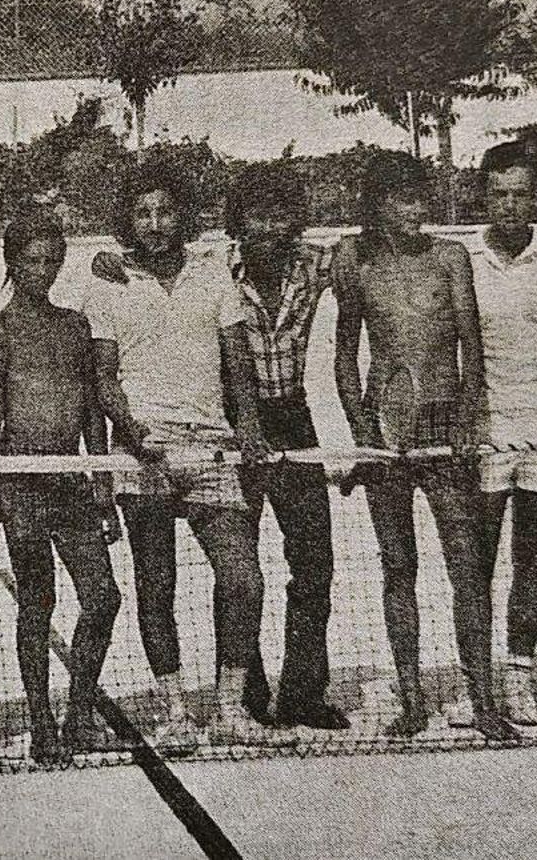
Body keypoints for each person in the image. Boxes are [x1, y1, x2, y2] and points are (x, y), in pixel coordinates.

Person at [92, 161, 349, 730]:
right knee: (158, 584)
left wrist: (249, 431)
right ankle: (201, 705)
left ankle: (287, 696)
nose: (266, 227)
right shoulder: (122, 280)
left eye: (166, 211)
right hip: (156, 450)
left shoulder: (241, 272)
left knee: (267, 574)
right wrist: (135, 436)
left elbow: (236, 367)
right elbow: (104, 373)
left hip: (255, 431)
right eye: (143, 213)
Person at [333, 150, 517, 742]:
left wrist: (467, 420)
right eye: (399, 199)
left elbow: (472, 347)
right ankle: (411, 698)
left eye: (419, 198)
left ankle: (486, 700)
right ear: (378, 206)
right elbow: (344, 356)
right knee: (398, 566)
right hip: (386, 433)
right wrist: (363, 433)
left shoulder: (450, 257)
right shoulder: (354, 261)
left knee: (467, 567)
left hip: (443, 426)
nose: (412, 210)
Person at [0, 208, 124, 764]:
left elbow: (92, 414)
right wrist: (2, 484)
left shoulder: (74, 325)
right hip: (24, 485)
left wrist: (102, 484)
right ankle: (42, 722)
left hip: (69, 482)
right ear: (12, 263)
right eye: (31, 261)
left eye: (52, 261)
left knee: (103, 598)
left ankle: (79, 712)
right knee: (36, 603)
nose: (43, 271)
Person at [450, 141, 537, 728]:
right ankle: (476, 685)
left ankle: (518, 677)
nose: (509, 205)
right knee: (474, 564)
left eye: (520, 194)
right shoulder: (458, 261)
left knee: (530, 558)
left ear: (535, 198)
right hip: (481, 429)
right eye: (498, 193)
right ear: (484, 196)